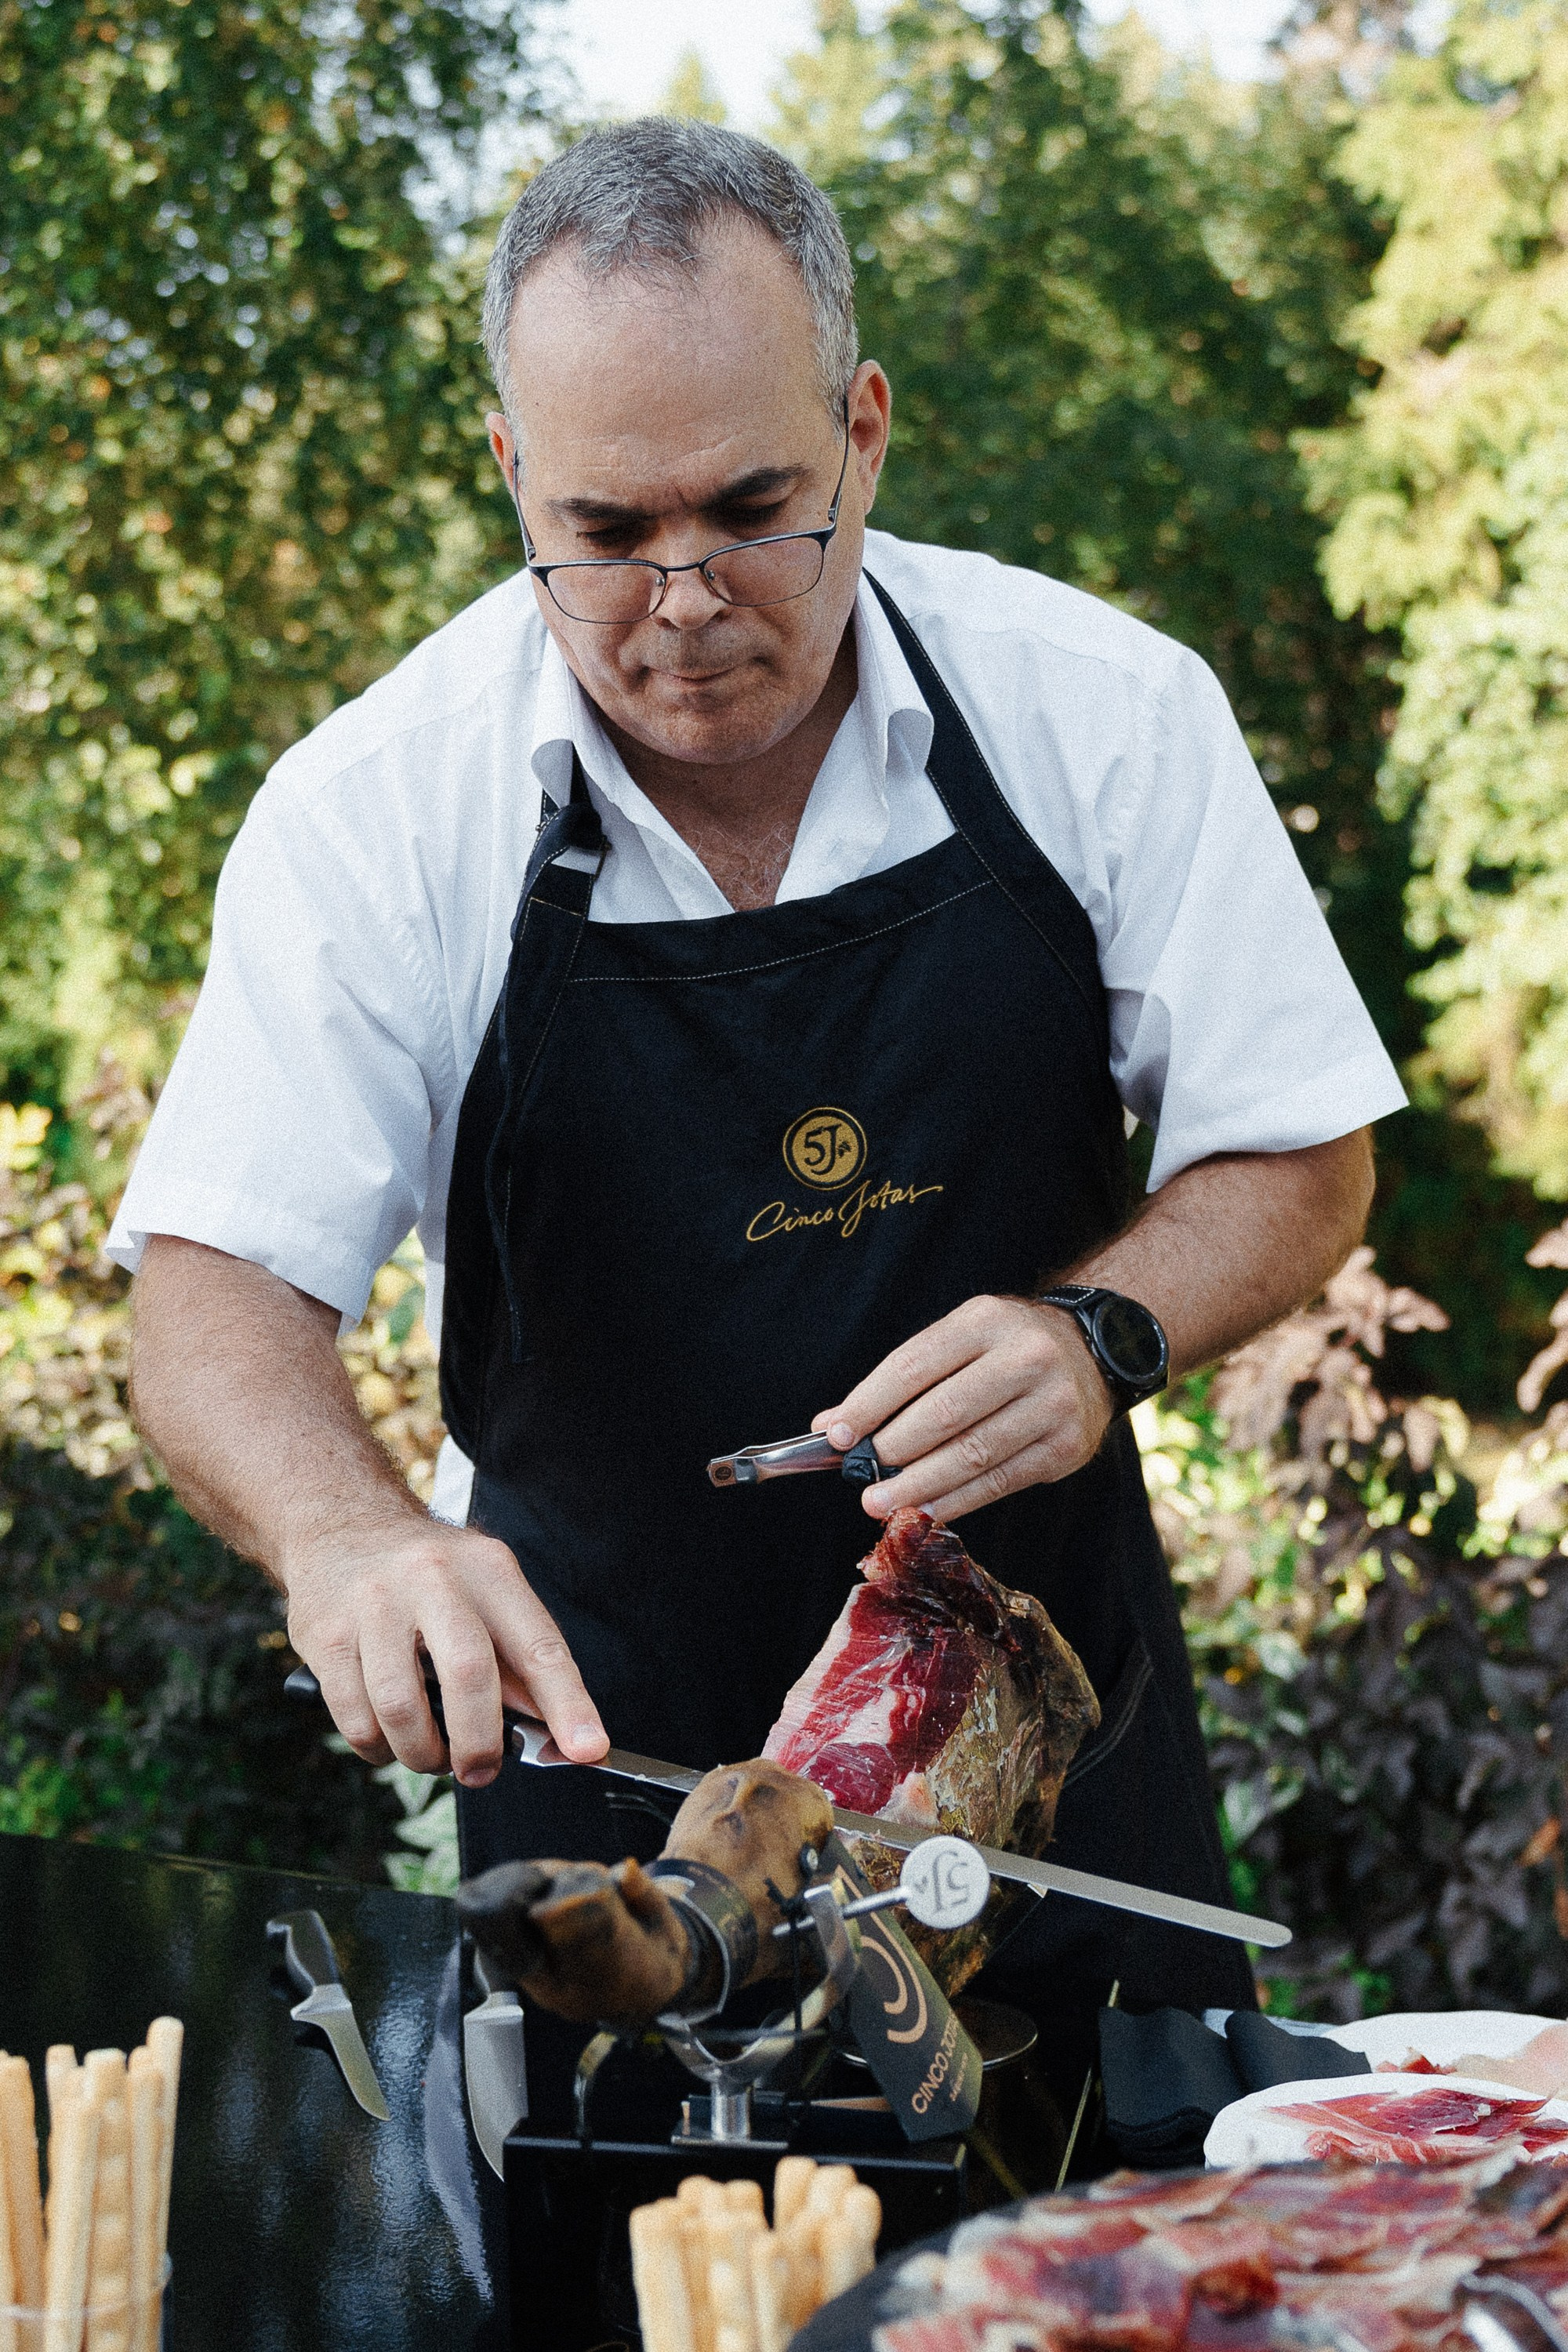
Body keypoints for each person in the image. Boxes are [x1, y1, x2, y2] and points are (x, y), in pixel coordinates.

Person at [116, 118, 1403, 2034]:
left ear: (865, 430)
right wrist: (351, 1532)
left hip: (1044, 1788)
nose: (687, 597)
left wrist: (1099, 1334)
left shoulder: (1100, 709)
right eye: (609, 535)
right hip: (610, 1833)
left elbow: (1301, 1150)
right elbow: (210, 1289)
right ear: (510, 477)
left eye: (753, 507)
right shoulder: (375, 813)